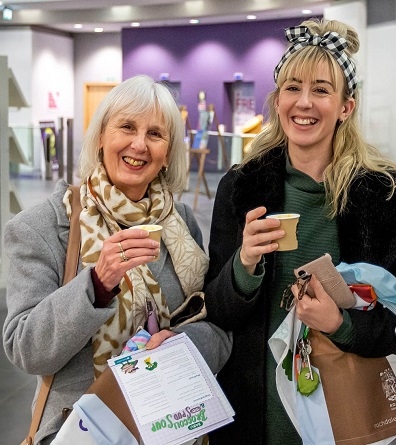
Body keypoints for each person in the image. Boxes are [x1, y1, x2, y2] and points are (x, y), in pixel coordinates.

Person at [203, 18, 396, 444]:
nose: (304, 103)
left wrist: (343, 325)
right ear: (277, 101)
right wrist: (244, 264)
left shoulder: (383, 194)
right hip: (251, 419)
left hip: (339, 419)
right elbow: (217, 311)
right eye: (292, 88)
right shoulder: (242, 187)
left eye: (322, 90)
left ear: (347, 106)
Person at [2, 75, 232, 444]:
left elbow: (213, 321)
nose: (139, 144)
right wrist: (96, 285)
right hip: (85, 431)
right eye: (126, 126)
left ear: (168, 152)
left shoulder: (181, 223)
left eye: (155, 134)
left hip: (172, 426)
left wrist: (180, 343)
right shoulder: (41, 226)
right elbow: (26, 349)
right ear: (101, 138)